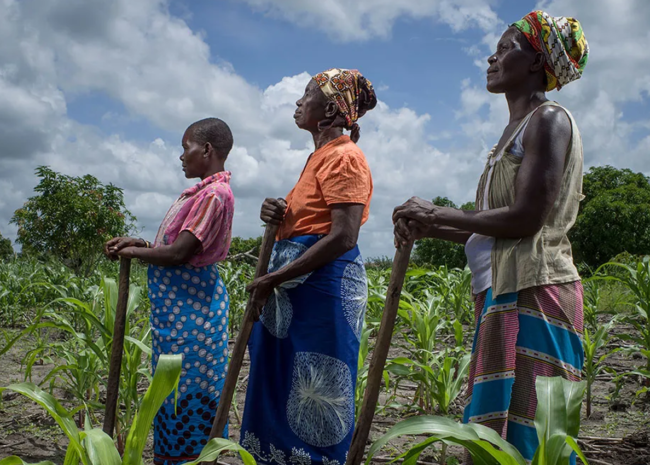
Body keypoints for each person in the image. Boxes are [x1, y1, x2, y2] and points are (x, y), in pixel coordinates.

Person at [393, 10, 589, 463]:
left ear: (538, 62)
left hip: (535, 290)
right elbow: (490, 228)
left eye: (506, 49)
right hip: (503, 291)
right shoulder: (512, 133)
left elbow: (525, 220)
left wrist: (438, 210)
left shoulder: (550, 119)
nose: (492, 57)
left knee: (535, 440)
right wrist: (430, 227)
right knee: (494, 440)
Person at [239, 68, 377, 465]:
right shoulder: (319, 157)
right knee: (281, 379)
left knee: (315, 385)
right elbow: (308, 220)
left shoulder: (346, 157)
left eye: (307, 95)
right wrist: (277, 213)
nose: (298, 102)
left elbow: (343, 236)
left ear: (332, 110)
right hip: (294, 291)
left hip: (319, 289)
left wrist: (276, 277)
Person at [104, 117, 235, 465]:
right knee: (171, 392)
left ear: (206, 149)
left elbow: (179, 254)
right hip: (178, 321)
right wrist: (142, 242)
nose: (181, 156)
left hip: (193, 321)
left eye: (185, 147)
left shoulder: (214, 195)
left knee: (187, 394)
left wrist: (133, 252)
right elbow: (176, 245)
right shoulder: (202, 193)